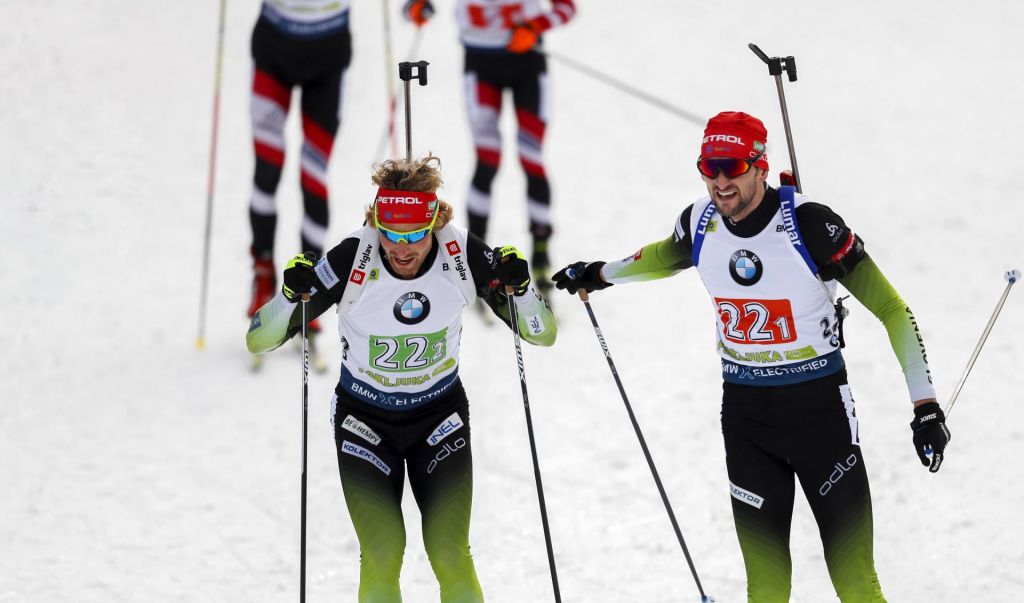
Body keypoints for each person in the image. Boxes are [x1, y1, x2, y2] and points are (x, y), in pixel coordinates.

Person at [551, 111, 951, 602]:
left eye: (733, 166)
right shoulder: (699, 223)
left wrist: (925, 405)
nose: (720, 181)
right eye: (709, 166)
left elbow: (892, 309)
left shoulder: (810, 223)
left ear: (761, 165)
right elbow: (659, 257)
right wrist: (598, 273)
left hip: (819, 413)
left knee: (854, 580)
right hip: (746, 418)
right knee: (764, 585)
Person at [247, 155, 557, 602]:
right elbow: (260, 340)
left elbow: (540, 334)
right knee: (383, 551)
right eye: (391, 233)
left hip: (439, 419)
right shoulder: (355, 256)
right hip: (364, 423)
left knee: (449, 552)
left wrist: (523, 290)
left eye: (415, 234)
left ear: (435, 220)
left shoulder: (460, 252)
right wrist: (289, 294)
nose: (402, 247)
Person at [402, 0, 577, 291]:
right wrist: (417, 9)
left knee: (531, 158)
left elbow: (567, 8)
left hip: (528, 65)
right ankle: (476, 259)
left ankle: (541, 252)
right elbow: (412, 8)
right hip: (481, 66)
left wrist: (536, 26)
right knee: (487, 160)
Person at [246, 0, 354, 330]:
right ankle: (263, 276)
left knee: (313, 174)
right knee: (267, 169)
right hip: (274, 47)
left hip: (329, 54)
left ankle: (310, 284)